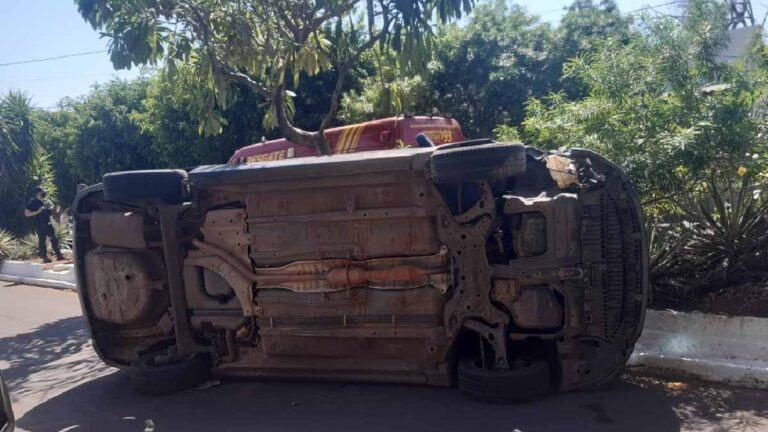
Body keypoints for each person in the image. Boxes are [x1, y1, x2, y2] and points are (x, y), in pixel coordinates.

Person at [24, 186, 64, 263]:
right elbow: (26, 214)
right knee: (42, 241)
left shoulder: (46, 201)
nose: (44, 193)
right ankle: (44, 257)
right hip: (40, 224)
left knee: (54, 239)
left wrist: (54, 209)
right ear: (37, 193)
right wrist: (38, 211)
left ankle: (59, 255)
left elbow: (52, 210)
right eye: (42, 192)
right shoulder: (33, 202)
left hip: (48, 223)